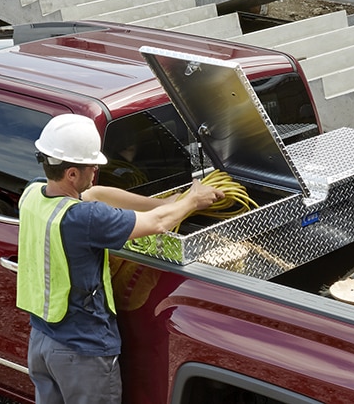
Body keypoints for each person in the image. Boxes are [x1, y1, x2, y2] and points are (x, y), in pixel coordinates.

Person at [16, 114, 224, 404]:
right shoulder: (84, 219)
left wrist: (163, 203)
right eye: (92, 166)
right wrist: (192, 200)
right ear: (72, 174)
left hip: (42, 343)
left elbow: (95, 194)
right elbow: (157, 224)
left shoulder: (33, 193)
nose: (96, 171)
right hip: (82, 352)